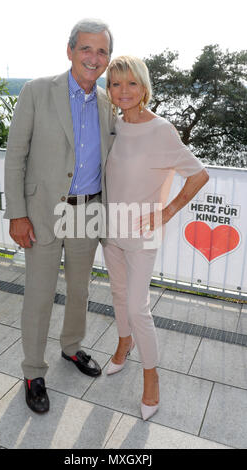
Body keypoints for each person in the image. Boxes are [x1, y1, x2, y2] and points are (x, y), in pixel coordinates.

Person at [4, 19, 115, 413]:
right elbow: (16, 155)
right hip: (42, 213)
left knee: (80, 291)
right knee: (38, 296)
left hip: (88, 212)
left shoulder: (108, 102)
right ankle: (34, 371)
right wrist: (17, 214)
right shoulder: (37, 91)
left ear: (107, 60)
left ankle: (72, 348)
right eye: (86, 48)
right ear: (69, 51)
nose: (93, 58)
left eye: (102, 51)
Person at [103, 56, 209, 421]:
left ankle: (152, 377)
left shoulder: (161, 129)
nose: (124, 91)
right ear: (109, 90)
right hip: (110, 229)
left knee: (137, 307)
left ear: (144, 86)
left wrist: (166, 213)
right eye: (116, 84)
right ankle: (122, 346)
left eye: (131, 83)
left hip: (142, 235)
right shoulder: (114, 125)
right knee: (117, 295)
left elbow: (198, 175)